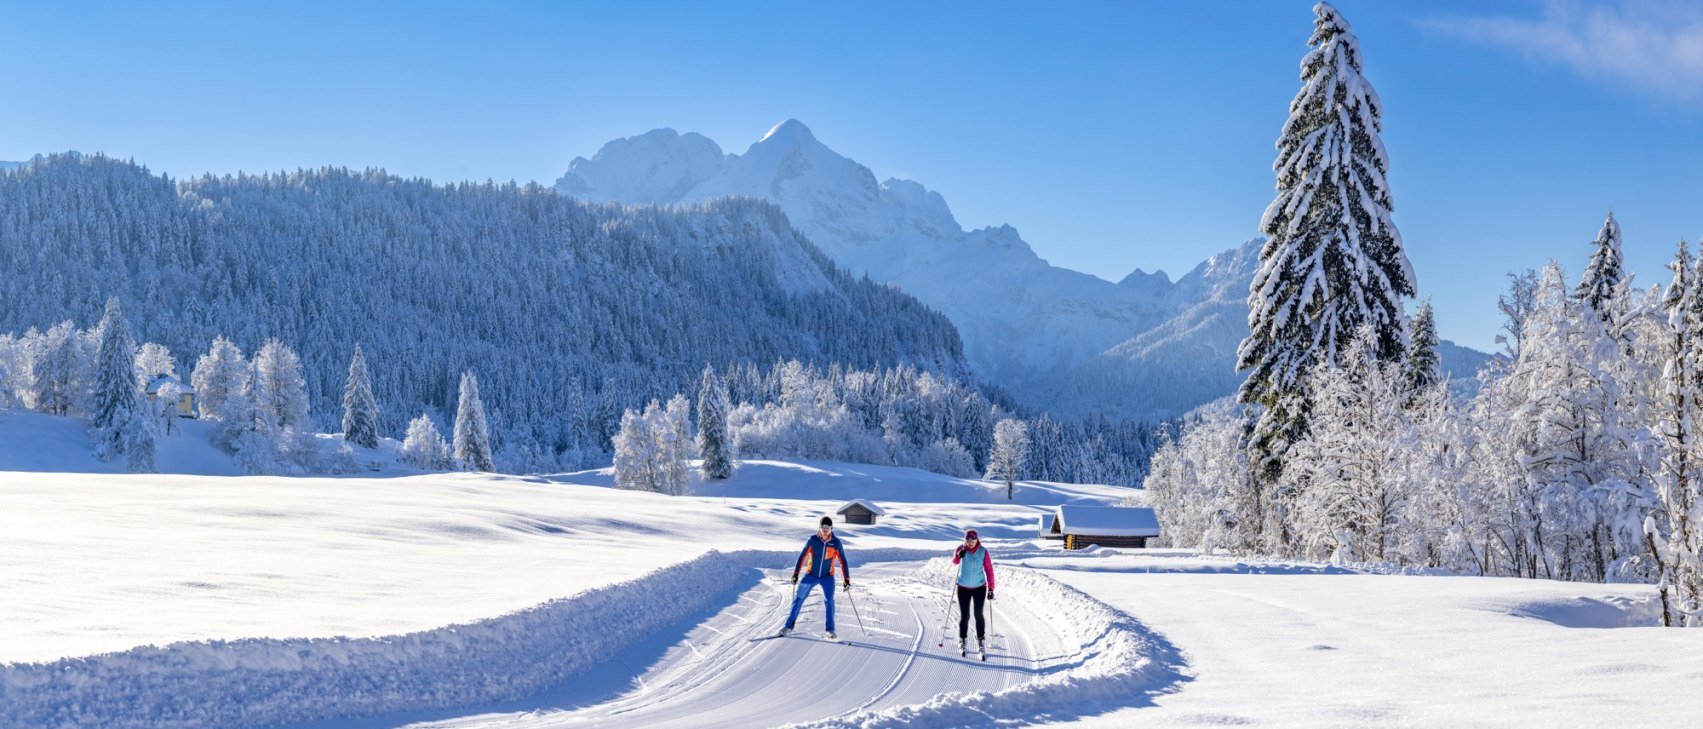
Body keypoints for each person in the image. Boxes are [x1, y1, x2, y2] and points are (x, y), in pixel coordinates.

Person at [780, 516, 851, 638]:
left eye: (827, 528)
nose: (825, 530)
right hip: (810, 575)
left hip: (827, 577)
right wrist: (796, 574)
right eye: (823, 527)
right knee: (799, 599)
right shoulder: (813, 540)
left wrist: (847, 579)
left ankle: (830, 630)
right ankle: (788, 627)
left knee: (829, 601)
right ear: (820, 528)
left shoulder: (836, 543)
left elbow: (843, 561)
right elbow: (802, 556)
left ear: (831, 528)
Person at [951, 528, 996, 656]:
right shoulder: (961, 549)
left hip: (979, 587)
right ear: (965, 540)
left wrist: (991, 588)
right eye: (968, 540)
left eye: (973, 540)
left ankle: (981, 640)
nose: (970, 542)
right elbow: (955, 562)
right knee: (965, 615)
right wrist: (959, 555)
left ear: (977, 540)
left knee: (978, 614)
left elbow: (989, 570)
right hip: (963, 587)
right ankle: (962, 639)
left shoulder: (983, 551)